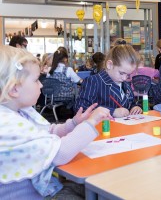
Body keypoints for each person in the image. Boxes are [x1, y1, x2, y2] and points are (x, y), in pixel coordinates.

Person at [0, 45, 112, 199]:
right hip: (36, 195)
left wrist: (73, 123)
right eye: (36, 80)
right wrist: (91, 122)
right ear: (14, 89)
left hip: (42, 187)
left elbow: (48, 132)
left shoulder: (20, 111)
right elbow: (61, 153)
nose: (41, 84)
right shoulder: (7, 124)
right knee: (98, 188)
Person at [75, 44, 143, 117]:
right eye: (121, 73)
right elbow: (80, 109)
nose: (124, 78)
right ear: (109, 65)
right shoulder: (93, 82)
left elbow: (131, 102)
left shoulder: (125, 84)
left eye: (128, 75)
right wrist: (111, 112)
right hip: (100, 127)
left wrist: (135, 107)